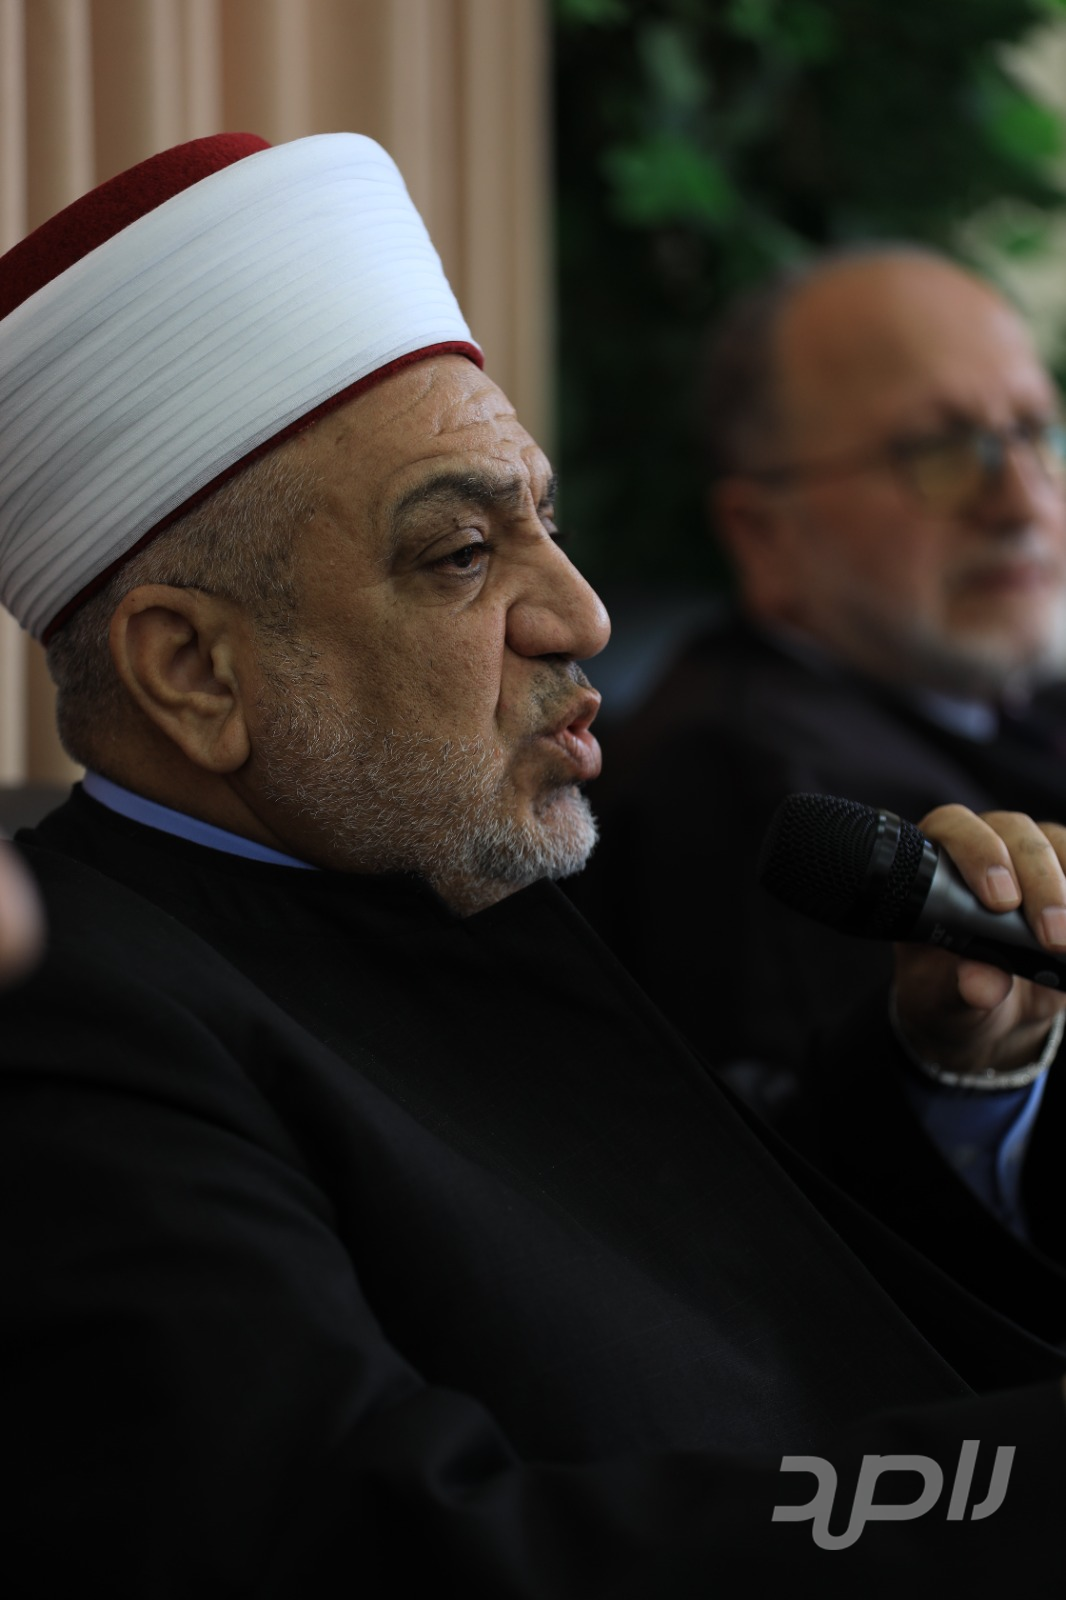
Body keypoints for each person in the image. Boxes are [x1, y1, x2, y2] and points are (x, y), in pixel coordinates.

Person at [0, 138, 1064, 1597]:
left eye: (542, 522)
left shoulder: (437, 865)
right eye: (460, 554)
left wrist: (948, 1074)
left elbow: (690, 1289)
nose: (581, 613)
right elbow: (376, 1560)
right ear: (193, 669)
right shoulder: (69, 1029)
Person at [570, 247, 1066, 1150]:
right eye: (941, 451)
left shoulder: (992, 697)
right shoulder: (767, 791)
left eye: (1038, 431)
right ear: (764, 534)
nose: (1023, 500)